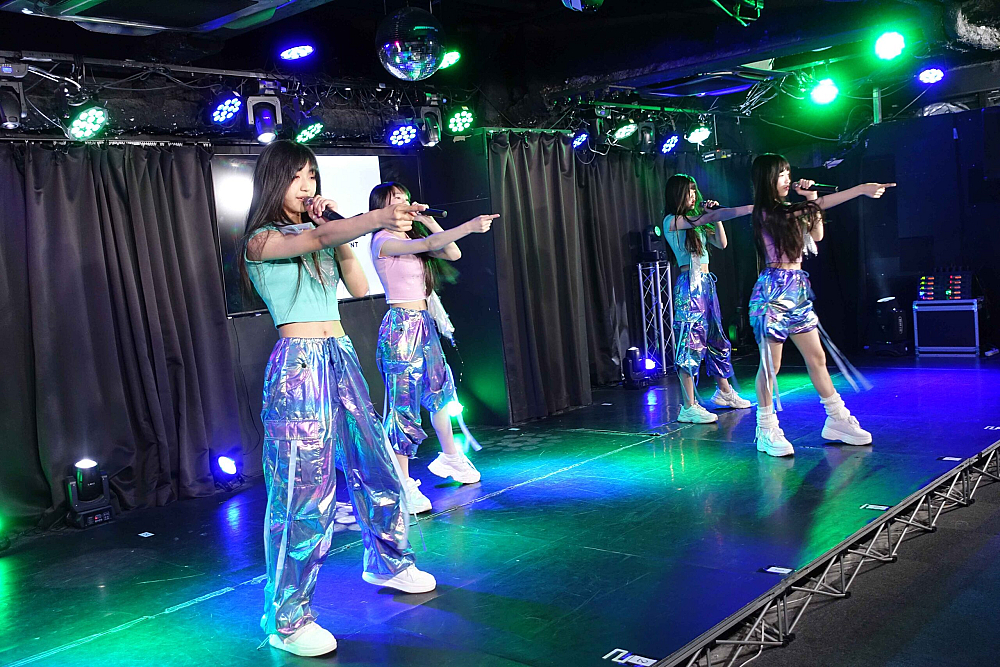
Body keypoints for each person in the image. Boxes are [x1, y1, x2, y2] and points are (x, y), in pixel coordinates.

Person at [237, 141, 436, 658]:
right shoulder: (261, 240)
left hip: (340, 355)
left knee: (376, 466)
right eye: (297, 177)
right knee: (303, 494)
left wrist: (343, 228)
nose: (307, 186)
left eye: (312, 176)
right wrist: (371, 219)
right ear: (274, 181)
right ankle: (287, 619)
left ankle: (389, 562)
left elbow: (357, 283)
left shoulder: (321, 232)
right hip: (299, 369)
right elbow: (320, 237)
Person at [749, 153, 894, 457]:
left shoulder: (793, 210)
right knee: (771, 366)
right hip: (773, 292)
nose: (787, 179)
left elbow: (817, 234)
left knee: (817, 357)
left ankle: (837, 419)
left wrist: (811, 197)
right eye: (781, 175)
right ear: (767, 179)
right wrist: (859, 189)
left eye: (788, 173)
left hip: (797, 289)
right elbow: (818, 208)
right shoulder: (765, 212)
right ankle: (766, 428)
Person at [369, 182, 498, 513]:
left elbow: (452, 253)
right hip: (401, 328)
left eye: (405, 198)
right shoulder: (383, 241)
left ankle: (451, 457)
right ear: (381, 209)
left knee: (441, 392)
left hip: (424, 325)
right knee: (403, 406)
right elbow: (430, 244)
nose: (404, 203)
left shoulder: (412, 240)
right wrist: (469, 226)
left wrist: (427, 219)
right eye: (395, 200)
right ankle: (401, 482)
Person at [662, 174, 753, 424]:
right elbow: (704, 219)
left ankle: (724, 392)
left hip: (706, 284)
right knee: (690, 343)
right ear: (677, 195)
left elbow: (722, 243)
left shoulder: (696, 223)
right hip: (689, 286)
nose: (693, 195)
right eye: (688, 191)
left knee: (716, 338)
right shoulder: (673, 221)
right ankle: (688, 406)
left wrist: (716, 216)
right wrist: (744, 209)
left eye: (695, 190)